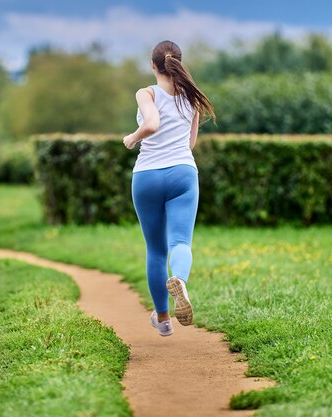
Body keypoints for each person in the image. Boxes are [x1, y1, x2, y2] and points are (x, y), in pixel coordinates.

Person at [123, 40, 215, 337]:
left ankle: (163, 320)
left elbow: (151, 123)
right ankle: (180, 281)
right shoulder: (192, 99)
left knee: (156, 250)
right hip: (183, 173)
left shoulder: (146, 92)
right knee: (180, 243)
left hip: (147, 175)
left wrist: (132, 138)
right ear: (178, 62)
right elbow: (189, 144)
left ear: (153, 65)